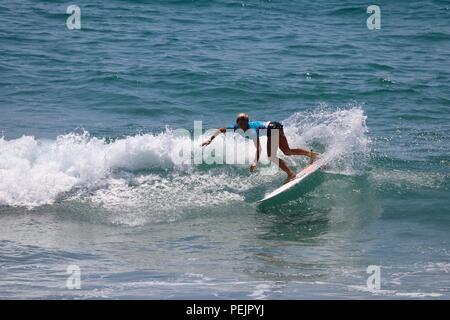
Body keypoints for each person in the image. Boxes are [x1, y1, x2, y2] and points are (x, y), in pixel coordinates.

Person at [201, 113, 319, 183]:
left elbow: (259, 148)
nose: (243, 126)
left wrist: (254, 162)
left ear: (248, 122)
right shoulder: (235, 127)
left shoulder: (252, 130)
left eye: (245, 123)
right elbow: (221, 130)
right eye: (241, 124)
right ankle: (312, 155)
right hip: (275, 125)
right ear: (237, 123)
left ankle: (290, 174)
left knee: (271, 156)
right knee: (287, 151)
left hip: (272, 128)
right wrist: (210, 140)